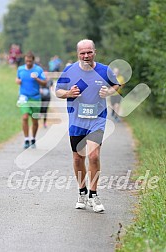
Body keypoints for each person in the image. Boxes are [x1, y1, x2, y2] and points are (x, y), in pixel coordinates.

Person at [55, 39, 119, 213]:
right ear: (77, 54)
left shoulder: (104, 70)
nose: (86, 56)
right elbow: (58, 91)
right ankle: (82, 191)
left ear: (94, 52)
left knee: (94, 155)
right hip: (77, 121)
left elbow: (116, 85)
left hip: (97, 120)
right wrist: (68, 93)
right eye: (82, 53)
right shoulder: (70, 70)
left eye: (89, 52)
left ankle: (93, 194)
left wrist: (109, 91)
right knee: (78, 158)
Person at [16, 51, 47, 149]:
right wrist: (17, 81)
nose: (28, 63)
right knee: (25, 117)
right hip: (23, 97)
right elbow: (18, 78)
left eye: (30, 61)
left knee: (34, 121)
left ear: (33, 61)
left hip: (35, 98)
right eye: (26, 61)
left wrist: (37, 78)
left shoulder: (38, 69)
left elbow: (45, 83)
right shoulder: (20, 69)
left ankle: (33, 138)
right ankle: (26, 139)